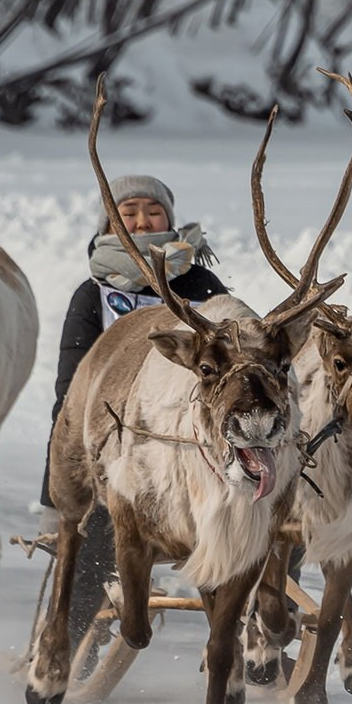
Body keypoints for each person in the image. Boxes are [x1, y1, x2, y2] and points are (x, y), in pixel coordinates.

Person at [39, 173, 226, 518]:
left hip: (191, 441)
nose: (142, 222)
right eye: (128, 212)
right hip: (112, 447)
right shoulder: (93, 294)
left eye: (154, 211)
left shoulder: (202, 285)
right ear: (108, 223)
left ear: (169, 218)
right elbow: (71, 395)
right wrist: (59, 495)